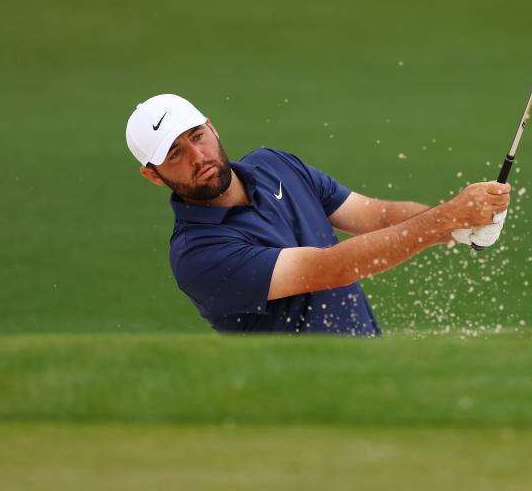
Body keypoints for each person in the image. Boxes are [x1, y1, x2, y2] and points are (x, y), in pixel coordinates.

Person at [126, 93, 510, 335]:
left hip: (369, 365)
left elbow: (375, 215)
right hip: (300, 404)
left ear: (212, 127)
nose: (198, 157)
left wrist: (461, 225)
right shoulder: (198, 255)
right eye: (174, 154)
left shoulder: (273, 165)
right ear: (152, 175)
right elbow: (331, 269)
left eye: (196, 136)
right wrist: (445, 218)